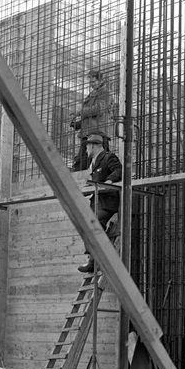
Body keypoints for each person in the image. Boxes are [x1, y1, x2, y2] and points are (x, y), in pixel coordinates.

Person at [78, 134, 122, 273]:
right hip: (97, 201)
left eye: (87, 147)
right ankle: (93, 259)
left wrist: (109, 181)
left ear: (92, 145)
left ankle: (98, 258)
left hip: (107, 201)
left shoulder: (108, 157)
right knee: (86, 225)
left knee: (94, 225)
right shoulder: (94, 163)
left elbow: (118, 170)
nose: (85, 151)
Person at [71, 70, 112, 171]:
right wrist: (78, 124)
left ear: (101, 80)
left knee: (100, 163)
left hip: (98, 134)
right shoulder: (92, 95)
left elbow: (99, 109)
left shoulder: (105, 93)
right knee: (81, 164)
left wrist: (81, 111)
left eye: (93, 82)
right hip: (88, 134)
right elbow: (90, 116)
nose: (91, 84)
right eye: (90, 82)